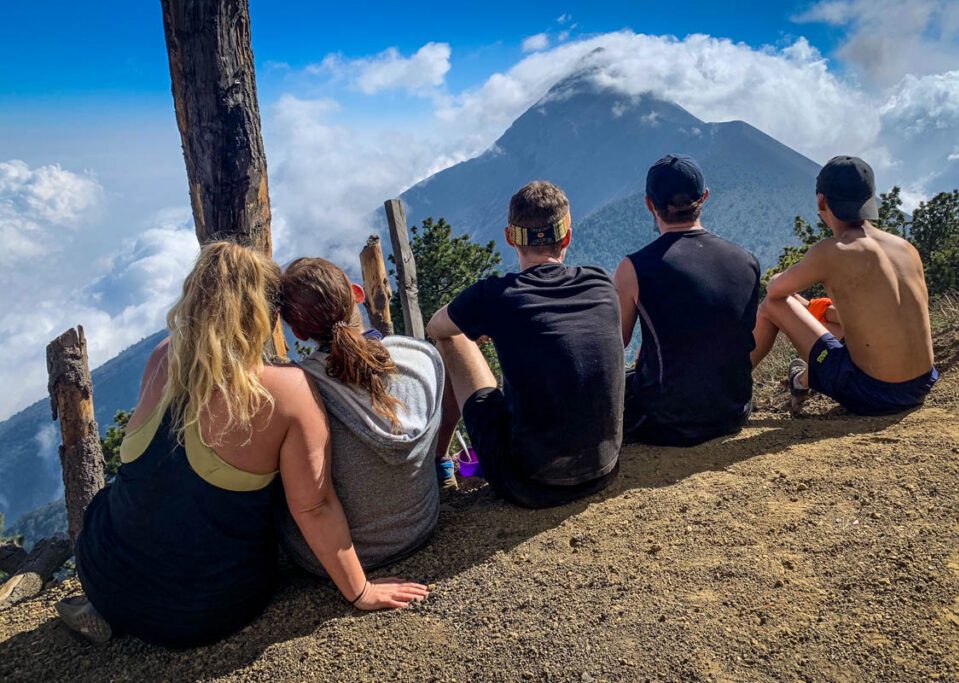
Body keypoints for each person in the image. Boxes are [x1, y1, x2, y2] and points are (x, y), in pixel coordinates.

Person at [60, 242, 427, 648]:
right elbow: (315, 507)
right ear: (266, 314)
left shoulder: (163, 357)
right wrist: (361, 591)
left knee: (124, 494)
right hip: (204, 610)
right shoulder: (285, 392)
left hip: (101, 573)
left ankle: (115, 608)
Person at [426, 181, 624, 508]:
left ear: (509, 238)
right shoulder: (601, 281)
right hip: (604, 468)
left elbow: (436, 327)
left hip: (531, 483)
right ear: (567, 236)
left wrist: (483, 323)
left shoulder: (495, 296)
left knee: (452, 337)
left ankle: (439, 461)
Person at [276, 257, 443, 574]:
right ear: (357, 293)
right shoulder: (422, 356)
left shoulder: (296, 390)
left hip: (327, 560)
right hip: (422, 527)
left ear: (297, 332)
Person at [750, 155, 938, 414]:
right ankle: (802, 380)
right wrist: (817, 309)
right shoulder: (905, 248)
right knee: (807, 306)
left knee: (774, 304)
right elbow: (877, 317)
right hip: (920, 384)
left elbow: (775, 291)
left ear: (821, 201)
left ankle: (728, 386)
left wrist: (778, 281)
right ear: (871, 197)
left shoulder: (833, 250)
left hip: (874, 393)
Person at [613, 154, 761, 446]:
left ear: (649, 204)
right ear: (704, 198)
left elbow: (616, 343)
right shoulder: (747, 261)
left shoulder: (634, 268)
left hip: (666, 421)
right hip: (733, 411)